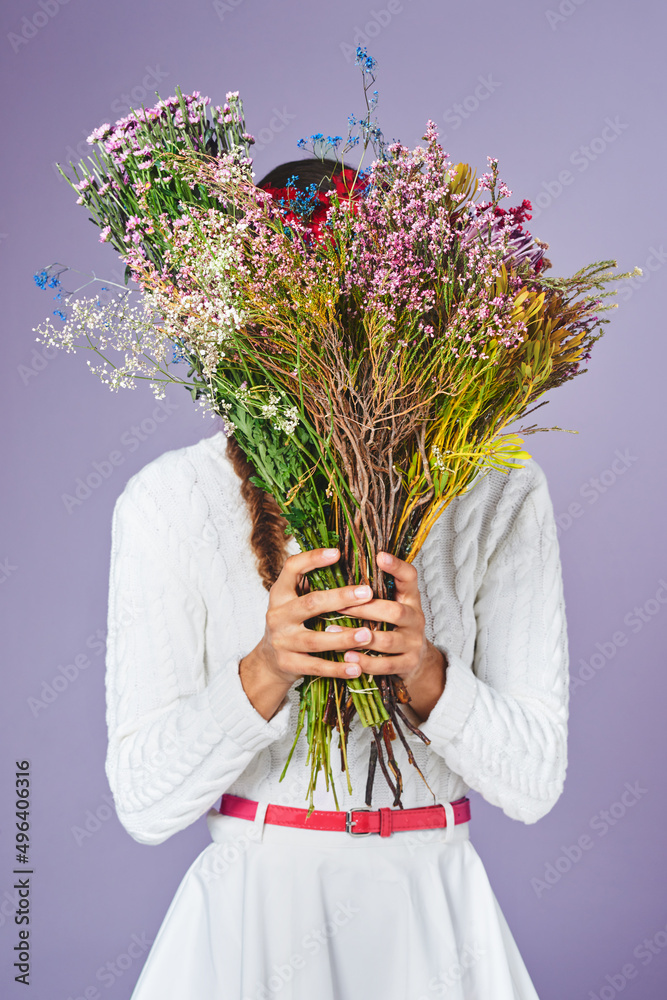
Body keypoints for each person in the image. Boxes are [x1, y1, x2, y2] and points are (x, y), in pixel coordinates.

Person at [103, 157, 570, 1000]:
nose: (326, 338)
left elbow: (534, 782)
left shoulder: (498, 489)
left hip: (435, 917)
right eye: (291, 310)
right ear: (237, 320)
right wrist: (267, 669)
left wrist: (425, 672)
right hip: (252, 918)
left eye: (351, 305)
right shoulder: (169, 500)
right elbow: (143, 803)